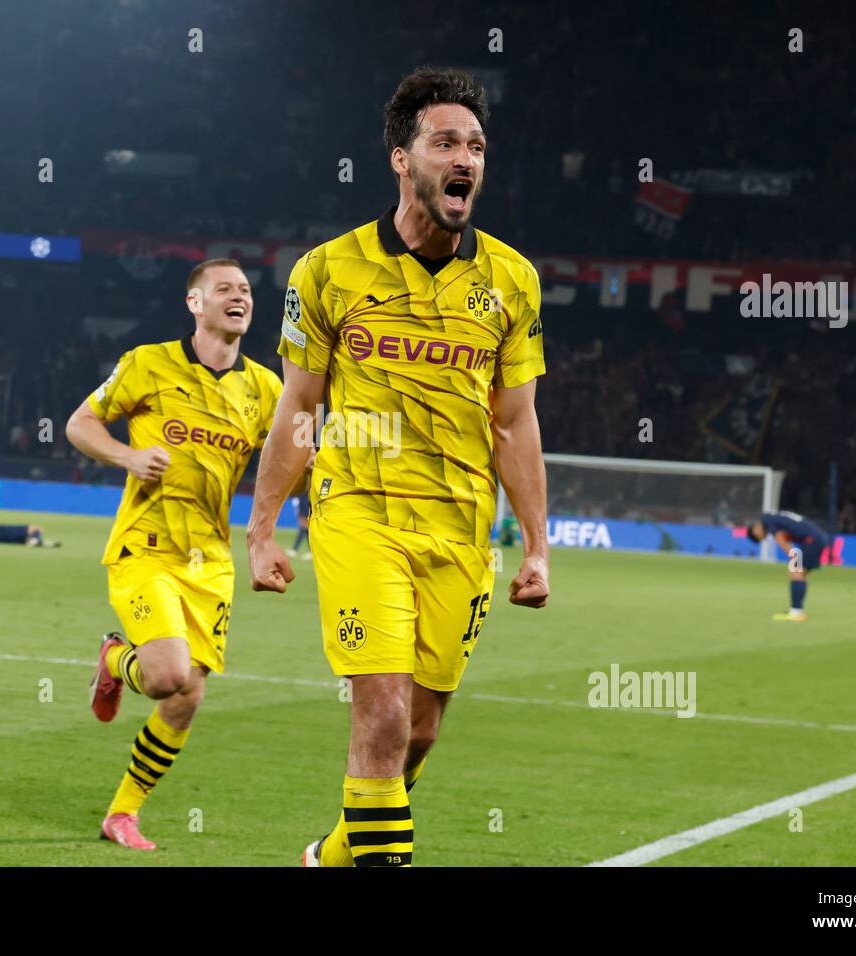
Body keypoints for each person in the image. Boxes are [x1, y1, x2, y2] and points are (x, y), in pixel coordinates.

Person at [246, 67, 549, 867]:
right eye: (445, 141)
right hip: (358, 514)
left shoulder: (512, 281)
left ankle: (333, 857)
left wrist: (538, 546)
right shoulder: (329, 271)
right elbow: (298, 406)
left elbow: (514, 423)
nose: (466, 159)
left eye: (477, 146)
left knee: (417, 732)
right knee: (379, 713)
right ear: (401, 158)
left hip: (460, 530)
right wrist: (263, 526)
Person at [67, 259, 282, 851]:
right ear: (195, 303)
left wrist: (278, 527)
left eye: (245, 290)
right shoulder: (146, 363)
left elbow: (291, 461)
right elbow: (80, 424)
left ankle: (122, 814)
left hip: (209, 562)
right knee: (165, 676)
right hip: (146, 548)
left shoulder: (266, 389)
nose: (239, 296)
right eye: (224, 289)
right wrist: (128, 457)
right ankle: (117, 661)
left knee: (187, 696)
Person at [746, 510, 831, 622]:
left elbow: (780, 539)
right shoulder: (772, 517)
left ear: (756, 531)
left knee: (795, 572)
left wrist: (793, 556)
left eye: (762, 537)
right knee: (801, 574)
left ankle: (796, 612)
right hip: (817, 538)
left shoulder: (767, 521)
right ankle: (797, 610)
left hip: (811, 540)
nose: (766, 536)